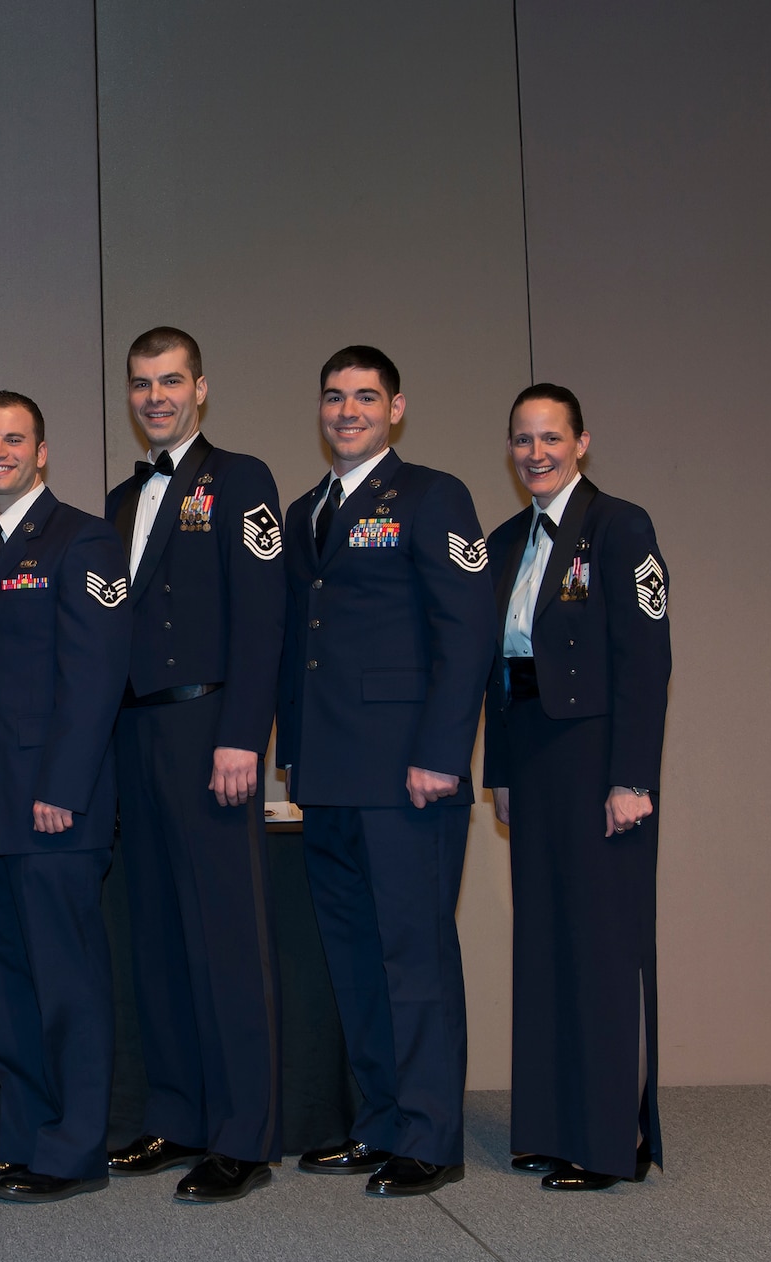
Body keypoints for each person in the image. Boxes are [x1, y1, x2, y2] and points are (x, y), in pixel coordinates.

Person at [278, 345, 496, 1198]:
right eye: (334, 397)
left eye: (365, 397)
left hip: (409, 774)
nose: (347, 411)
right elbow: (305, 644)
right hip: (329, 775)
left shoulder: (434, 495)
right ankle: (378, 1122)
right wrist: (291, 755)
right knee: (357, 956)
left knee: (415, 955)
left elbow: (467, 628)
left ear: (396, 408)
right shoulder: (307, 510)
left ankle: (432, 1135)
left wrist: (442, 755)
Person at [0, 392, 131, 1202]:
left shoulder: (84, 539)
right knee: (5, 983)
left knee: (66, 984)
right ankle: (23, 1134)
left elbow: (96, 673)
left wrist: (64, 786)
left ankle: (74, 1147)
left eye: (15, 438)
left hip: (53, 805)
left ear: (42, 452)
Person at [102, 327, 287, 1203]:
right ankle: (176, 1114)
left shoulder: (242, 479)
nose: (155, 397)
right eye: (141, 383)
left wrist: (243, 732)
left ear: (201, 388)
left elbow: (263, 616)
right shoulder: (116, 497)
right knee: (160, 936)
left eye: (170, 381)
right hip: (136, 738)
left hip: (211, 728)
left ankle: (243, 1134)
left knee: (226, 937)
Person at [483, 384, 670, 1191]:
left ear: (582, 441)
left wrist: (632, 776)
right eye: (522, 439)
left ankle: (604, 1141)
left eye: (551, 437)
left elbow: (647, 659)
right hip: (532, 755)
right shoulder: (502, 540)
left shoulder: (621, 526)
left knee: (599, 946)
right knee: (545, 943)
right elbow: (494, 671)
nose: (536, 452)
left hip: (598, 759)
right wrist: (499, 773)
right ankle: (549, 1127)